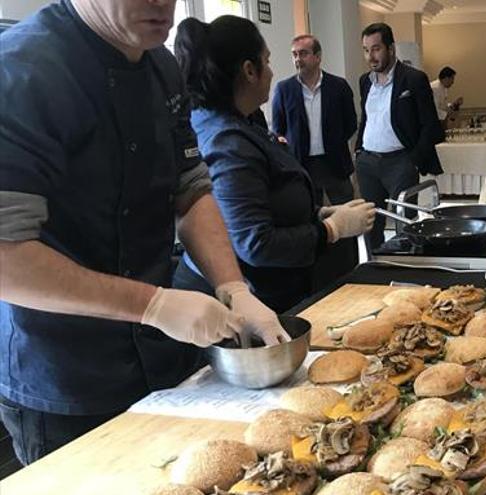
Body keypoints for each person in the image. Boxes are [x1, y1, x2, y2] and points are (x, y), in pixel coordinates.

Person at [0, 0, 288, 464]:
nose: (161, 3)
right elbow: (7, 258)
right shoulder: (21, 72)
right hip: (65, 378)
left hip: (159, 360)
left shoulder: (162, 66)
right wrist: (152, 304)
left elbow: (190, 188)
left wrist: (233, 287)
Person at [172, 16, 375, 313]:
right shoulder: (227, 142)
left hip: (271, 288)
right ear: (249, 71)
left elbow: (265, 197)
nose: (272, 70)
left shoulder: (240, 122)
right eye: (267, 62)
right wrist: (330, 229)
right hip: (245, 300)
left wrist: (317, 213)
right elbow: (255, 243)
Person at [355, 22, 443, 249]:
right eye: (366, 50)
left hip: (400, 161)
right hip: (368, 163)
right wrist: (358, 151)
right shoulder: (365, 81)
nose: (370, 56)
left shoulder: (413, 79)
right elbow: (366, 119)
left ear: (391, 48)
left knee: (404, 221)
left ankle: (406, 267)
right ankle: (374, 268)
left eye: (376, 49)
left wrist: (413, 161)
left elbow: (430, 125)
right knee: (370, 223)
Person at [271, 34, 358, 205]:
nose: (298, 59)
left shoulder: (338, 86)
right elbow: (278, 128)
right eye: (294, 54)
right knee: (309, 216)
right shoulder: (284, 89)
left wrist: (335, 141)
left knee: (346, 212)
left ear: (318, 57)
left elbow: (350, 123)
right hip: (301, 164)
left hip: (335, 163)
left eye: (303, 53)